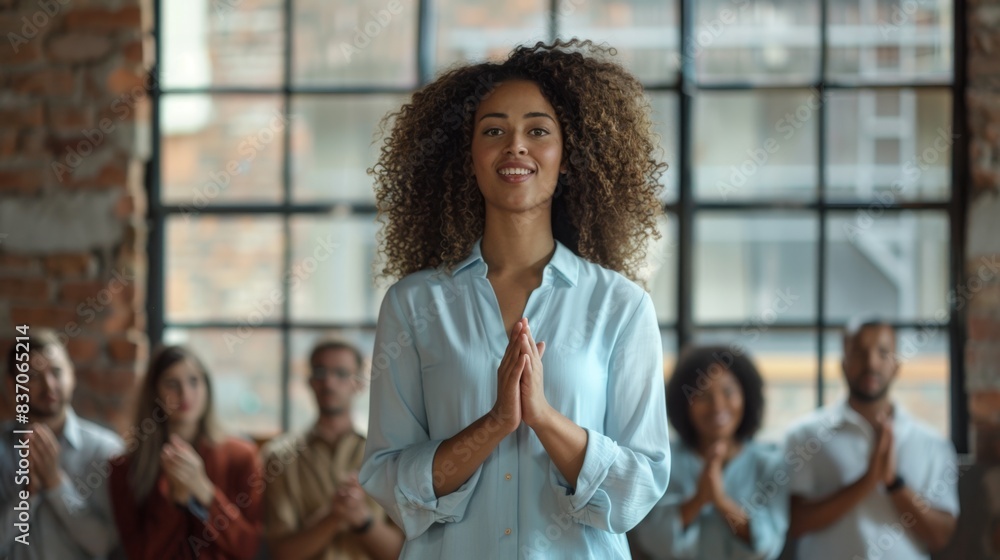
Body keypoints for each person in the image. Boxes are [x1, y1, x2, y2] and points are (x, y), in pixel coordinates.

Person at [359, 38, 671, 559]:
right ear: (469, 157)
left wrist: (542, 417)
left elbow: (638, 486)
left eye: (538, 130)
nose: (516, 146)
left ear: (569, 155)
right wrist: (495, 425)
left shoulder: (621, 306)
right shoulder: (413, 305)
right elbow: (389, 479)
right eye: (494, 130)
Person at [786, 319, 959, 559]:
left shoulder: (933, 444)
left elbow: (940, 536)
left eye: (883, 352)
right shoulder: (803, 436)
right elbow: (793, 524)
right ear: (844, 364)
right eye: (859, 353)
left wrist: (893, 484)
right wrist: (867, 481)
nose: (871, 363)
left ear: (896, 365)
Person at [630, 346, 788, 559]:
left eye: (728, 392)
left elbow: (769, 544)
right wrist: (698, 500)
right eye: (702, 395)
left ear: (746, 396)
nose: (717, 406)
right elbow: (649, 539)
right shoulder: (661, 462)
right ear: (684, 402)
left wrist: (721, 501)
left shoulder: (770, 462)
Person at [107, 345, 263, 559]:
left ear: (207, 387)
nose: (185, 393)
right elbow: (140, 554)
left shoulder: (242, 457)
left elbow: (249, 548)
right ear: (154, 393)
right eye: (172, 383)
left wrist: (206, 492)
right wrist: (174, 503)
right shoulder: (124, 468)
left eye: (194, 381)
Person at [261, 339, 403, 559]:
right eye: (320, 372)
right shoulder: (279, 458)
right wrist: (333, 516)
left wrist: (361, 518)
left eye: (341, 373)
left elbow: (401, 553)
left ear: (360, 384)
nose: (329, 382)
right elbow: (282, 553)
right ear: (310, 382)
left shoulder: (389, 453)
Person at [0, 328, 123, 559]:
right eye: (34, 376)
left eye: (56, 372)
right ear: (13, 385)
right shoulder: (3, 451)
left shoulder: (106, 451)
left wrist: (55, 484)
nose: (49, 385)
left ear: (72, 375)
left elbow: (108, 546)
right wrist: (29, 493)